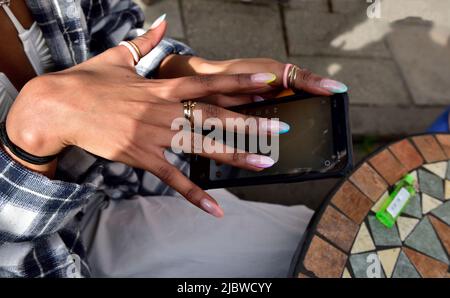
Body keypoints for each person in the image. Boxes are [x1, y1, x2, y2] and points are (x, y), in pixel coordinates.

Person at [0, 0, 348, 277]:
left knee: (314, 238)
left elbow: (111, 26)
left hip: (141, 174)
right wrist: (30, 146)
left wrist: (181, 74)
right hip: (55, 247)